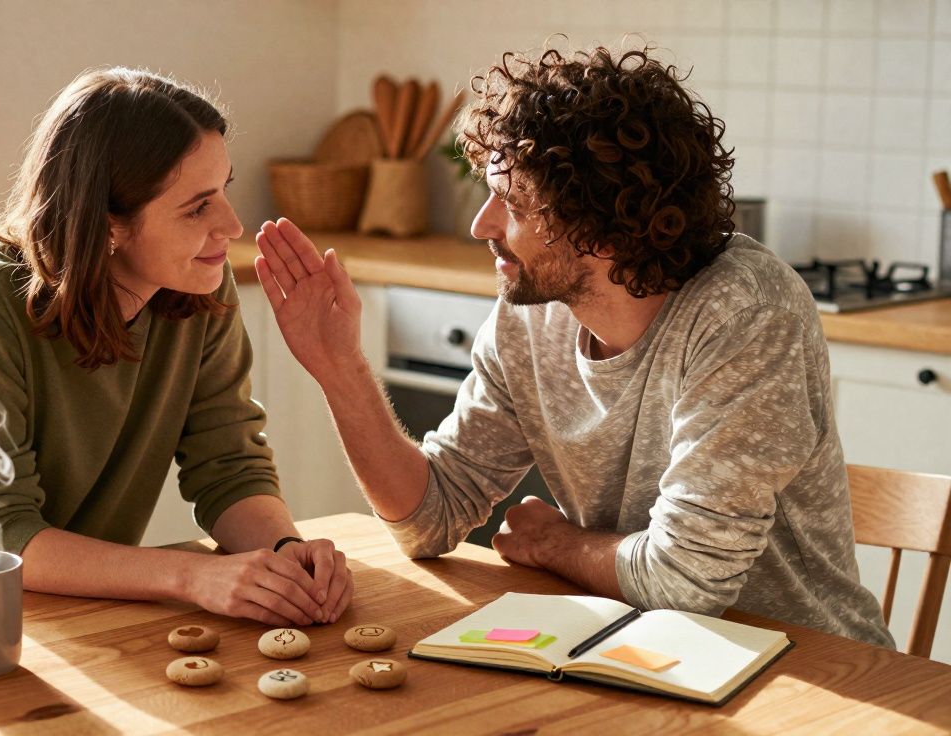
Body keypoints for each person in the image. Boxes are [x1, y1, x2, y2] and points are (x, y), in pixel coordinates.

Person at [253, 44, 892, 647]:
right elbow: (430, 517)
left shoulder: (744, 311)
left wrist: (556, 544)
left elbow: (688, 580)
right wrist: (340, 367)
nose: (483, 226)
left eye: (513, 203)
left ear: (602, 220)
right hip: (632, 648)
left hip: (800, 668)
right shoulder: (533, 315)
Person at [0, 68, 353, 627]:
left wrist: (283, 554)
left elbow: (227, 465)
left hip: (62, 610)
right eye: (197, 207)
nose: (231, 224)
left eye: (223, 189)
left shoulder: (198, 285)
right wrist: (191, 576)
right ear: (108, 223)